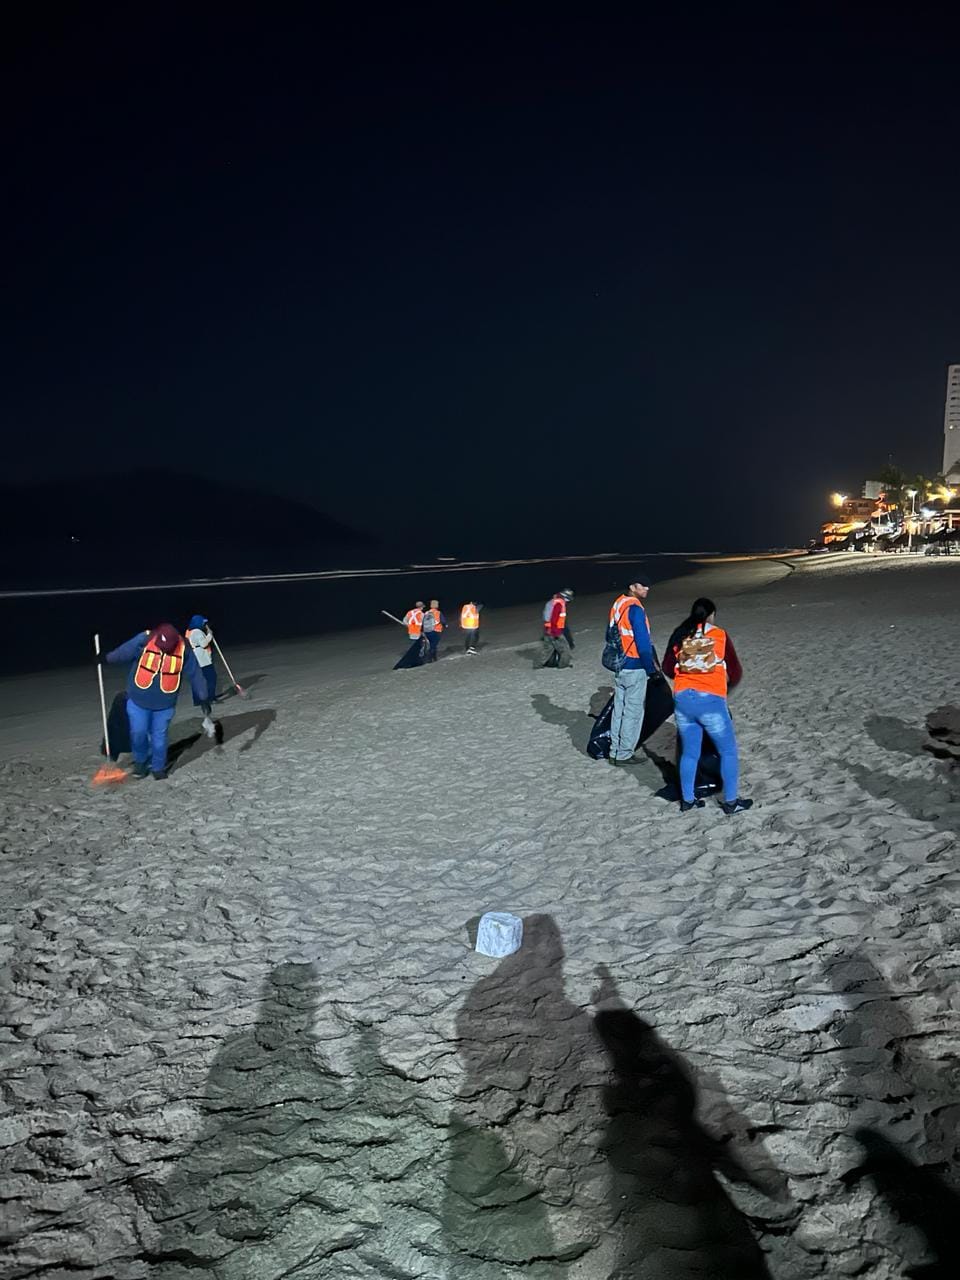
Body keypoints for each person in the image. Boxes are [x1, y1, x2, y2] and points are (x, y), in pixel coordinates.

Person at [662, 597, 751, 815]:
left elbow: (667, 666)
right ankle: (730, 802)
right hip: (710, 699)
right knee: (728, 751)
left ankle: (688, 800)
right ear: (711, 614)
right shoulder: (718, 634)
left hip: (683, 699)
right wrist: (723, 689)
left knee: (689, 753)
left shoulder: (681, 634)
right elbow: (736, 670)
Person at [104, 623, 210, 779]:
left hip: (165, 704)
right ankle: (140, 763)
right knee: (138, 733)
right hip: (138, 700)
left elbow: (195, 673)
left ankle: (158, 767)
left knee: (159, 738)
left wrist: (203, 696)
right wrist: (106, 658)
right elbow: (124, 652)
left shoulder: (184, 648)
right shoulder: (145, 638)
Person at [608, 580, 658, 765]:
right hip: (635, 665)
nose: (647, 588)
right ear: (632, 587)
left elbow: (610, 634)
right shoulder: (636, 609)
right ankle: (624, 754)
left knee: (618, 710)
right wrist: (651, 669)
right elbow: (643, 643)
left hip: (619, 664)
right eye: (642, 585)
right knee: (633, 712)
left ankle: (614, 751)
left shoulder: (618, 603)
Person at [185, 614, 218, 738]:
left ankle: (198, 700)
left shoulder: (189, 632)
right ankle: (209, 698)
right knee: (210, 678)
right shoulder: (197, 631)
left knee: (197, 680)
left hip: (196, 659)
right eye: (203, 623)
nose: (204, 624)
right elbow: (204, 644)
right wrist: (210, 634)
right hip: (202, 660)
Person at [540, 588, 574, 668]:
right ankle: (563, 664)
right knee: (565, 649)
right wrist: (556, 632)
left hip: (548, 629)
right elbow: (554, 619)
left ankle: (540, 663)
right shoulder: (559, 604)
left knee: (549, 648)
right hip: (555, 631)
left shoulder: (553, 601)